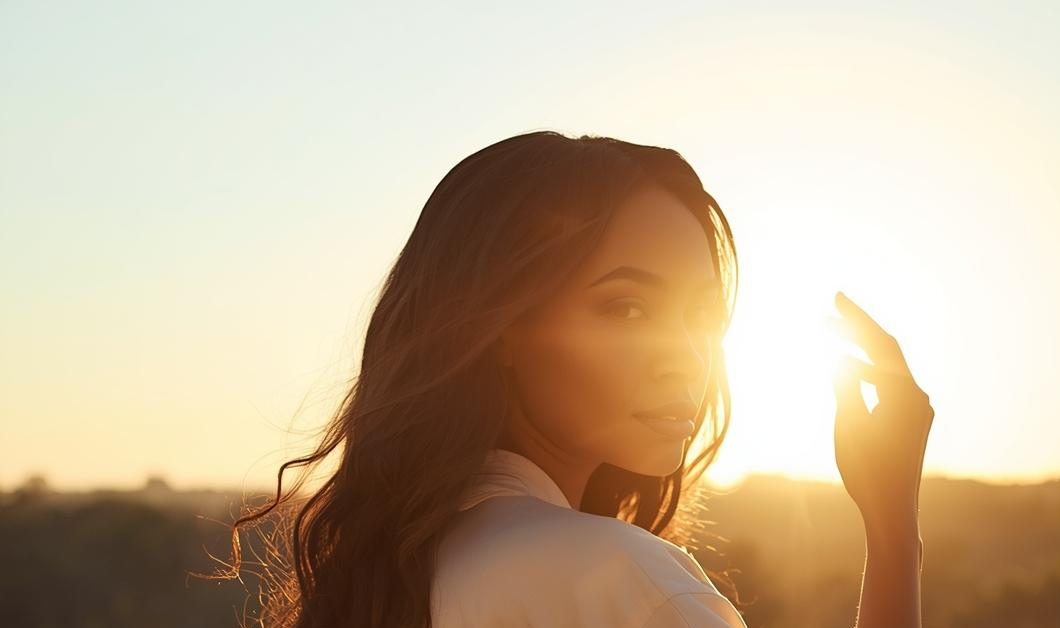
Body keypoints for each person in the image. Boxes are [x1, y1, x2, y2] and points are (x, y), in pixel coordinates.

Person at [199, 130, 935, 628]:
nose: (686, 354)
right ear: (501, 327)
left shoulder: (422, 564)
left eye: (702, 314)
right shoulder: (617, 581)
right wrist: (896, 535)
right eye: (627, 306)